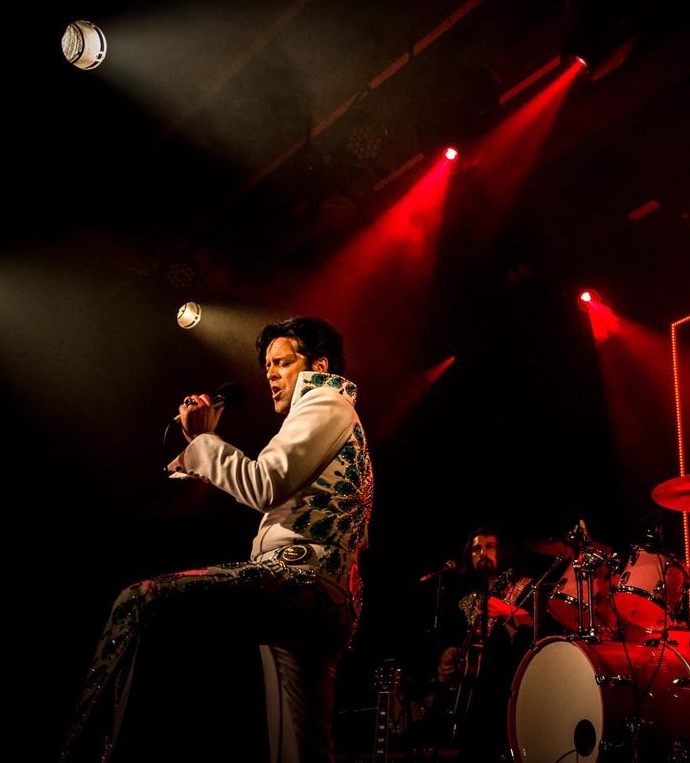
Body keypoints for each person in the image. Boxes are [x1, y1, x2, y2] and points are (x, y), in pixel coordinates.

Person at [62, 316, 373, 763]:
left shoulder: (325, 400)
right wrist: (200, 447)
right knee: (301, 748)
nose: (269, 374)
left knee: (139, 601)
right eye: (267, 365)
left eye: (282, 362)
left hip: (300, 579)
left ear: (319, 365)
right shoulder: (337, 419)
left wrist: (206, 439)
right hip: (323, 591)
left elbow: (264, 484)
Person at [434, 529, 532, 762]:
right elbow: (456, 645)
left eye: (489, 547)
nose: (482, 553)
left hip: (508, 694)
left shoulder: (523, 588)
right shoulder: (464, 599)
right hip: (471, 703)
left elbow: (534, 630)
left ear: (502, 551)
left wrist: (507, 611)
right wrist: (447, 657)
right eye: (477, 549)